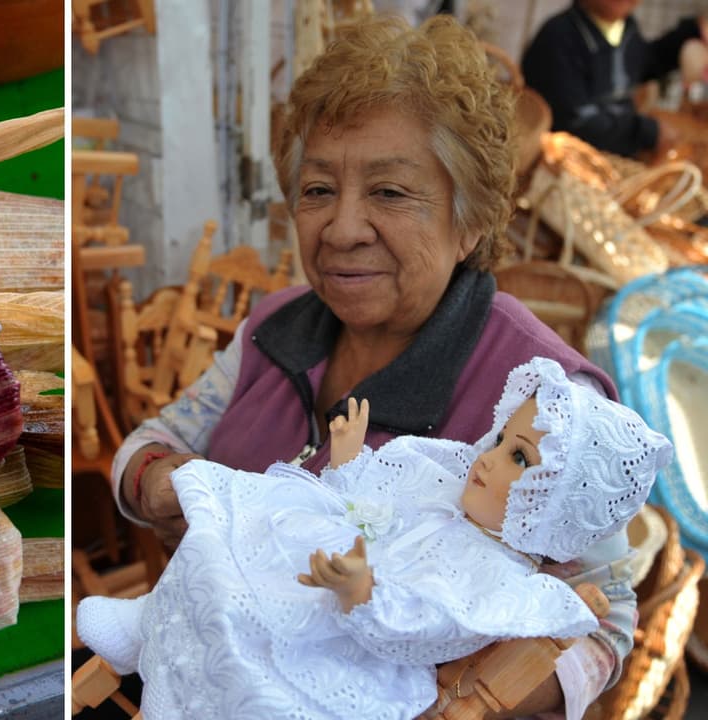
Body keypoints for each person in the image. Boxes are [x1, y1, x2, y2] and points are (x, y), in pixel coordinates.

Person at [110, 13, 635, 719]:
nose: (343, 228)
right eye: (318, 190)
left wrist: (460, 701)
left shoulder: (544, 395)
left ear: (471, 220)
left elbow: (606, 621)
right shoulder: (276, 327)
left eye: (389, 192)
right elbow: (152, 444)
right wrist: (166, 488)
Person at [80, 358, 672, 720]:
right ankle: (145, 622)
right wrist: (348, 460)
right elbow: (369, 505)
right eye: (500, 441)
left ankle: (179, 696)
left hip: (350, 647)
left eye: (519, 459)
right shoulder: (446, 480)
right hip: (322, 570)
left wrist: (366, 596)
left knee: (250, 632)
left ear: (552, 505)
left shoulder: (497, 578)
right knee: (231, 533)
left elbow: (430, 628)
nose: (489, 458)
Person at [521, 0, 708, 158]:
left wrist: (692, 31)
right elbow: (574, 124)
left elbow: (645, 63)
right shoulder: (558, 38)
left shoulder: (624, 29)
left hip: (616, 158)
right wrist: (648, 132)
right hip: (568, 163)